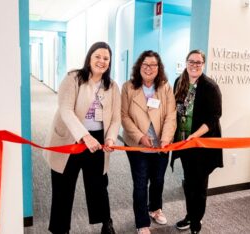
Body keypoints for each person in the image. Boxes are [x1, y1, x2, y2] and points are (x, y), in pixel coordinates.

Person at [45, 42, 121, 234]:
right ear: (89, 57)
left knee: (99, 185)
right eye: (97, 56)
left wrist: (111, 139)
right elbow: (66, 110)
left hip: (98, 140)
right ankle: (60, 229)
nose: (101, 61)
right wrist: (84, 136)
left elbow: (115, 118)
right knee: (63, 187)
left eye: (106, 58)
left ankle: (106, 222)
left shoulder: (112, 86)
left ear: (110, 62)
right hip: (71, 138)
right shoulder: (74, 78)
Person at [121, 50, 176, 234]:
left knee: (158, 180)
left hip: (161, 144)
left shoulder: (165, 87)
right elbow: (124, 116)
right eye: (145, 64)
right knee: (140, 182)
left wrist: (166, 138)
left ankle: (155, 209)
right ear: (139, 66)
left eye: (153, 65)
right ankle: (142, 222)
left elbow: (171, 115)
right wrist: (140, 137)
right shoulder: (128, 87)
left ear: (158, 68)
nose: (149, 68)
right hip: (137, 145)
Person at [172, 50, 223, 234]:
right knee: (188, 182)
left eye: (198, 62)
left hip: (202, 145)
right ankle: (189, 215)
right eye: (191, 61)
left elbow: (214, 117)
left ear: (203, 64)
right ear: (186, 62)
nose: (194, 65)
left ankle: (196, 223)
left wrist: (195, 135)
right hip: (184, 143)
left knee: (199, 185)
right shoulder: (180, 82)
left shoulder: (210, 87)